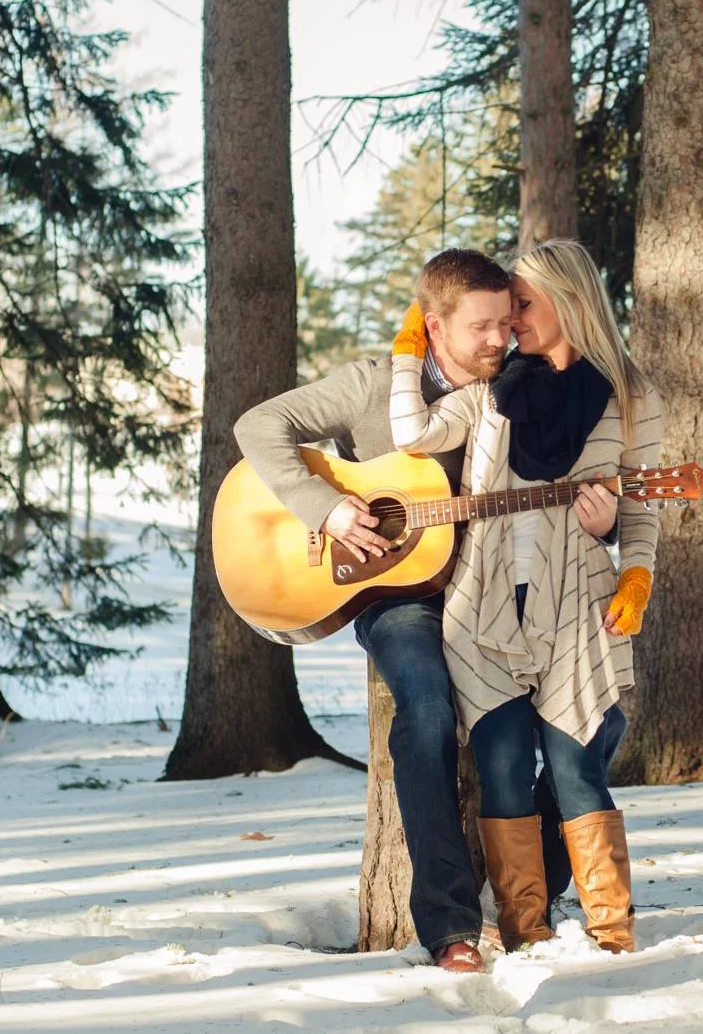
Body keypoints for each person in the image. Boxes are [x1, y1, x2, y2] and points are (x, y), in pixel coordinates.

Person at [231, 248, 619, 972]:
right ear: (434, 326)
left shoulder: (516, 387)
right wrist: (328, 508)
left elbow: (569, 475)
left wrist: (610, 521)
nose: (500, 338)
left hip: (497, 594)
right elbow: (258, 426)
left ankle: (534, 890)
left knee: (601, 717)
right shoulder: (372, 386)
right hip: (396, 593)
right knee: (429, 711)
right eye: (481, 327)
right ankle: (450, 924)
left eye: (506, 321)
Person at [389, 237, 663, 954]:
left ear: (567, 303)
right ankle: (525, 931)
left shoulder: (631, 397)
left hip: (579, 604)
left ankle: (612, 930)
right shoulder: (492, 392)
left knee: (575, 762)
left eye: (522, 304)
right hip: (481, 606)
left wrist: (634, 574)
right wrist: (410, 343)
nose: (511, 321)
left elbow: (643, 508)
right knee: (504, 763)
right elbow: (412, 433)